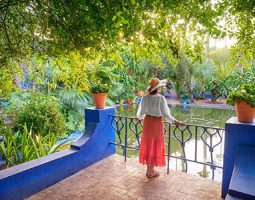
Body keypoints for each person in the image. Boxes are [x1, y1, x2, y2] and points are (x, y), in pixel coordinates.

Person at [137, 78, 185, 178]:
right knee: (154, 145)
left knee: (149, 144)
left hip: (147, 122)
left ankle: (150, 170)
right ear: (157, 88)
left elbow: (141, 113)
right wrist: (176, 121)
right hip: (156, 123)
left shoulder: (145, 97)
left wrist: (138, 118)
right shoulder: (160, 98)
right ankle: (150, 172)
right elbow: (166, 114)